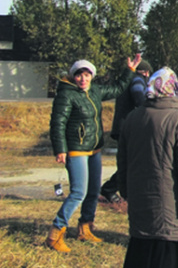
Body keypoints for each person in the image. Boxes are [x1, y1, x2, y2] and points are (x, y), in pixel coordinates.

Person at [46, 54, 143, 252]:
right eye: (80, 75)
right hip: (76, 150)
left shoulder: (95, 91)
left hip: (94, 148)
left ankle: (85, 227)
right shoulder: (66, 94)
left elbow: (118, 88)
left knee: (92, 191)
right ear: (74, 76)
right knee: (78, 192)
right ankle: (55, 233)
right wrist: (60, 149)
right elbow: (58, 123)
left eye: (87, 75)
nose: (83, 79)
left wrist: (130, 70)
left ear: (92, 76)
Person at [119, 67, 178, 268]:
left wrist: (125, 192)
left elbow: (122, 162)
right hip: (175, 214)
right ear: (174, 88)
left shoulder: (132, 118)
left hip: (142, 210)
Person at [99, 59, 153, 203]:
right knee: (131, 162)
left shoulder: (131, 79)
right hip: (129, 128)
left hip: (122, 125)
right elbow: (138, 96)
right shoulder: (137, 80)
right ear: (146, 72)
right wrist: (148, 106)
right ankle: (110, 189)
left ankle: (116, 189)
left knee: (129, 162)